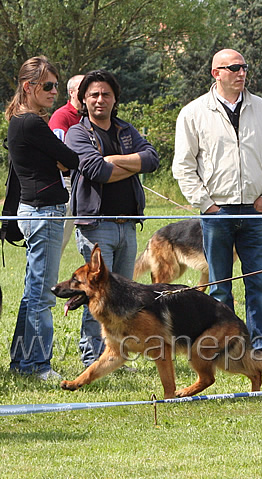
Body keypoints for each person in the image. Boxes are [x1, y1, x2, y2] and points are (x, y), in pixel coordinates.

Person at [173, 49, 262, 365]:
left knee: (260, 285)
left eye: (244, 67)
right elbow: (183, 165)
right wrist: (206, 204)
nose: (241, 73)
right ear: (217, 73)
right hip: (217, 213)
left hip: (255, 211)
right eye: (234, 68)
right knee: (219, 289)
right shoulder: (194, 113)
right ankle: (224, 349)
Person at [66, 70, 159, 367]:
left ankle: (115, 356)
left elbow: (152, 159)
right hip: (96, 226)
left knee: (122, 297)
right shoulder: (77, 133)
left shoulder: (124, 129)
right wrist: (133, 165)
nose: (100, 99)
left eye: (106, 94)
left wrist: (114, 160)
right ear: (83, 99)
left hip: (127, 225)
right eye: (93, 94)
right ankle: (91, 357)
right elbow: (96, 172)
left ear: (115, 98)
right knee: (96, 295)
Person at [6, 56, 79, 379]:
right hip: (43, 211)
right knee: (43, 293)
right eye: (48, 86)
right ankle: (38, 365)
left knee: (32, 291)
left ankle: (22, 363)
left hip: (33, 210)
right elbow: (71, 158)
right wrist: (60, 161)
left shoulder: (20, 122)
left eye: (56, 86)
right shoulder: (33, 123)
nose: (53, 92)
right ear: (28, 87)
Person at [49, 74, 84, 251]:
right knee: (58, 240)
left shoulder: (91, 115)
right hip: (68, 184)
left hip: (89, 183)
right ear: (71, 92)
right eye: (83, 88)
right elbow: (58, 157)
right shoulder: (61, 117)